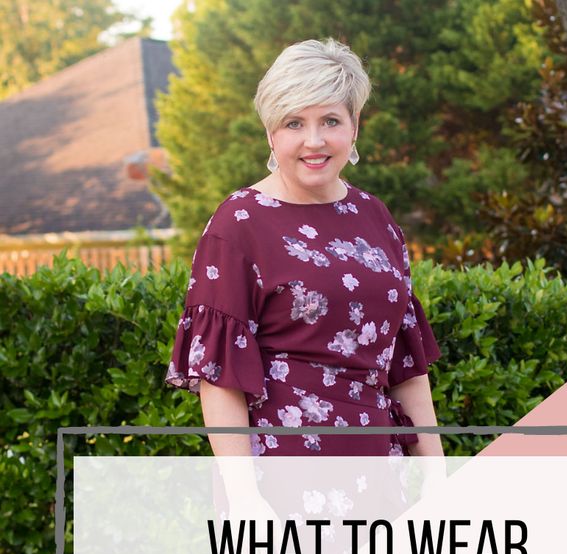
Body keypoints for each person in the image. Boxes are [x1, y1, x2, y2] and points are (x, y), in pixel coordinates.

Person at [166, 38, 443, 459]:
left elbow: (405, 368)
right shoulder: (239, 223)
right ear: (270, 133)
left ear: (355, 127)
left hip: (383, 468)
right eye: (294, 123)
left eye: (330, 121)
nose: (314, 141)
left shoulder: (375, 217)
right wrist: (245, 500)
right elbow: (219, 379)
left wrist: (434, 476)